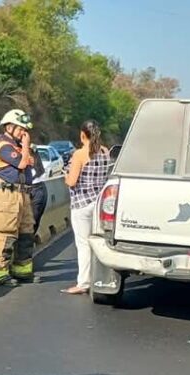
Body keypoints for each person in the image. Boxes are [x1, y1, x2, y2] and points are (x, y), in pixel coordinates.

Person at [0, 109, 38, 286]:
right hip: (7, 195)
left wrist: (25, 148)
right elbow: (24, 162)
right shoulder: (3, 146)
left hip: (22, 194)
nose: (23, 133)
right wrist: (26, 145)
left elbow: (31, 162)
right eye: (20, 129)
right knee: (5, 232)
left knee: (26, 232)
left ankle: (22, 269)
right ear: (9, 127)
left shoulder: (15, 146)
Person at [61, 120, 110, 295]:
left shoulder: (80, 154)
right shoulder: (105, 152)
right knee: (99, 242)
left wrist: (65, 175)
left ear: (83, 135)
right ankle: (103, 279)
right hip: (98, 204)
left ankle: (83, 283)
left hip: (81, 205)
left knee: (83, 244)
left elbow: (72, 181)